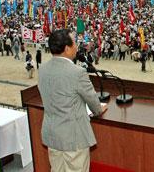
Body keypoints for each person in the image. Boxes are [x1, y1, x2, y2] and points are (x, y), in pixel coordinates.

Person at [38, 29, 107, 172]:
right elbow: (94, 102)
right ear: (67, 48)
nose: (77, 47)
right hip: (73, 137)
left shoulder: (43, 69)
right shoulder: (77, 72)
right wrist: (99, 109)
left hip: (52, 134)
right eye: (75, 43)